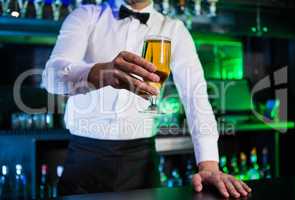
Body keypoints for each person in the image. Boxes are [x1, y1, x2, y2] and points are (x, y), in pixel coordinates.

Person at [42, 0, 251, 198]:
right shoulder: (86, 16)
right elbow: (50, 77)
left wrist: (209, 166)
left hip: (141, 163)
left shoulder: (173, 29)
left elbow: (196, 97)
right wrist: (99, 73)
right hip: (84, 160)